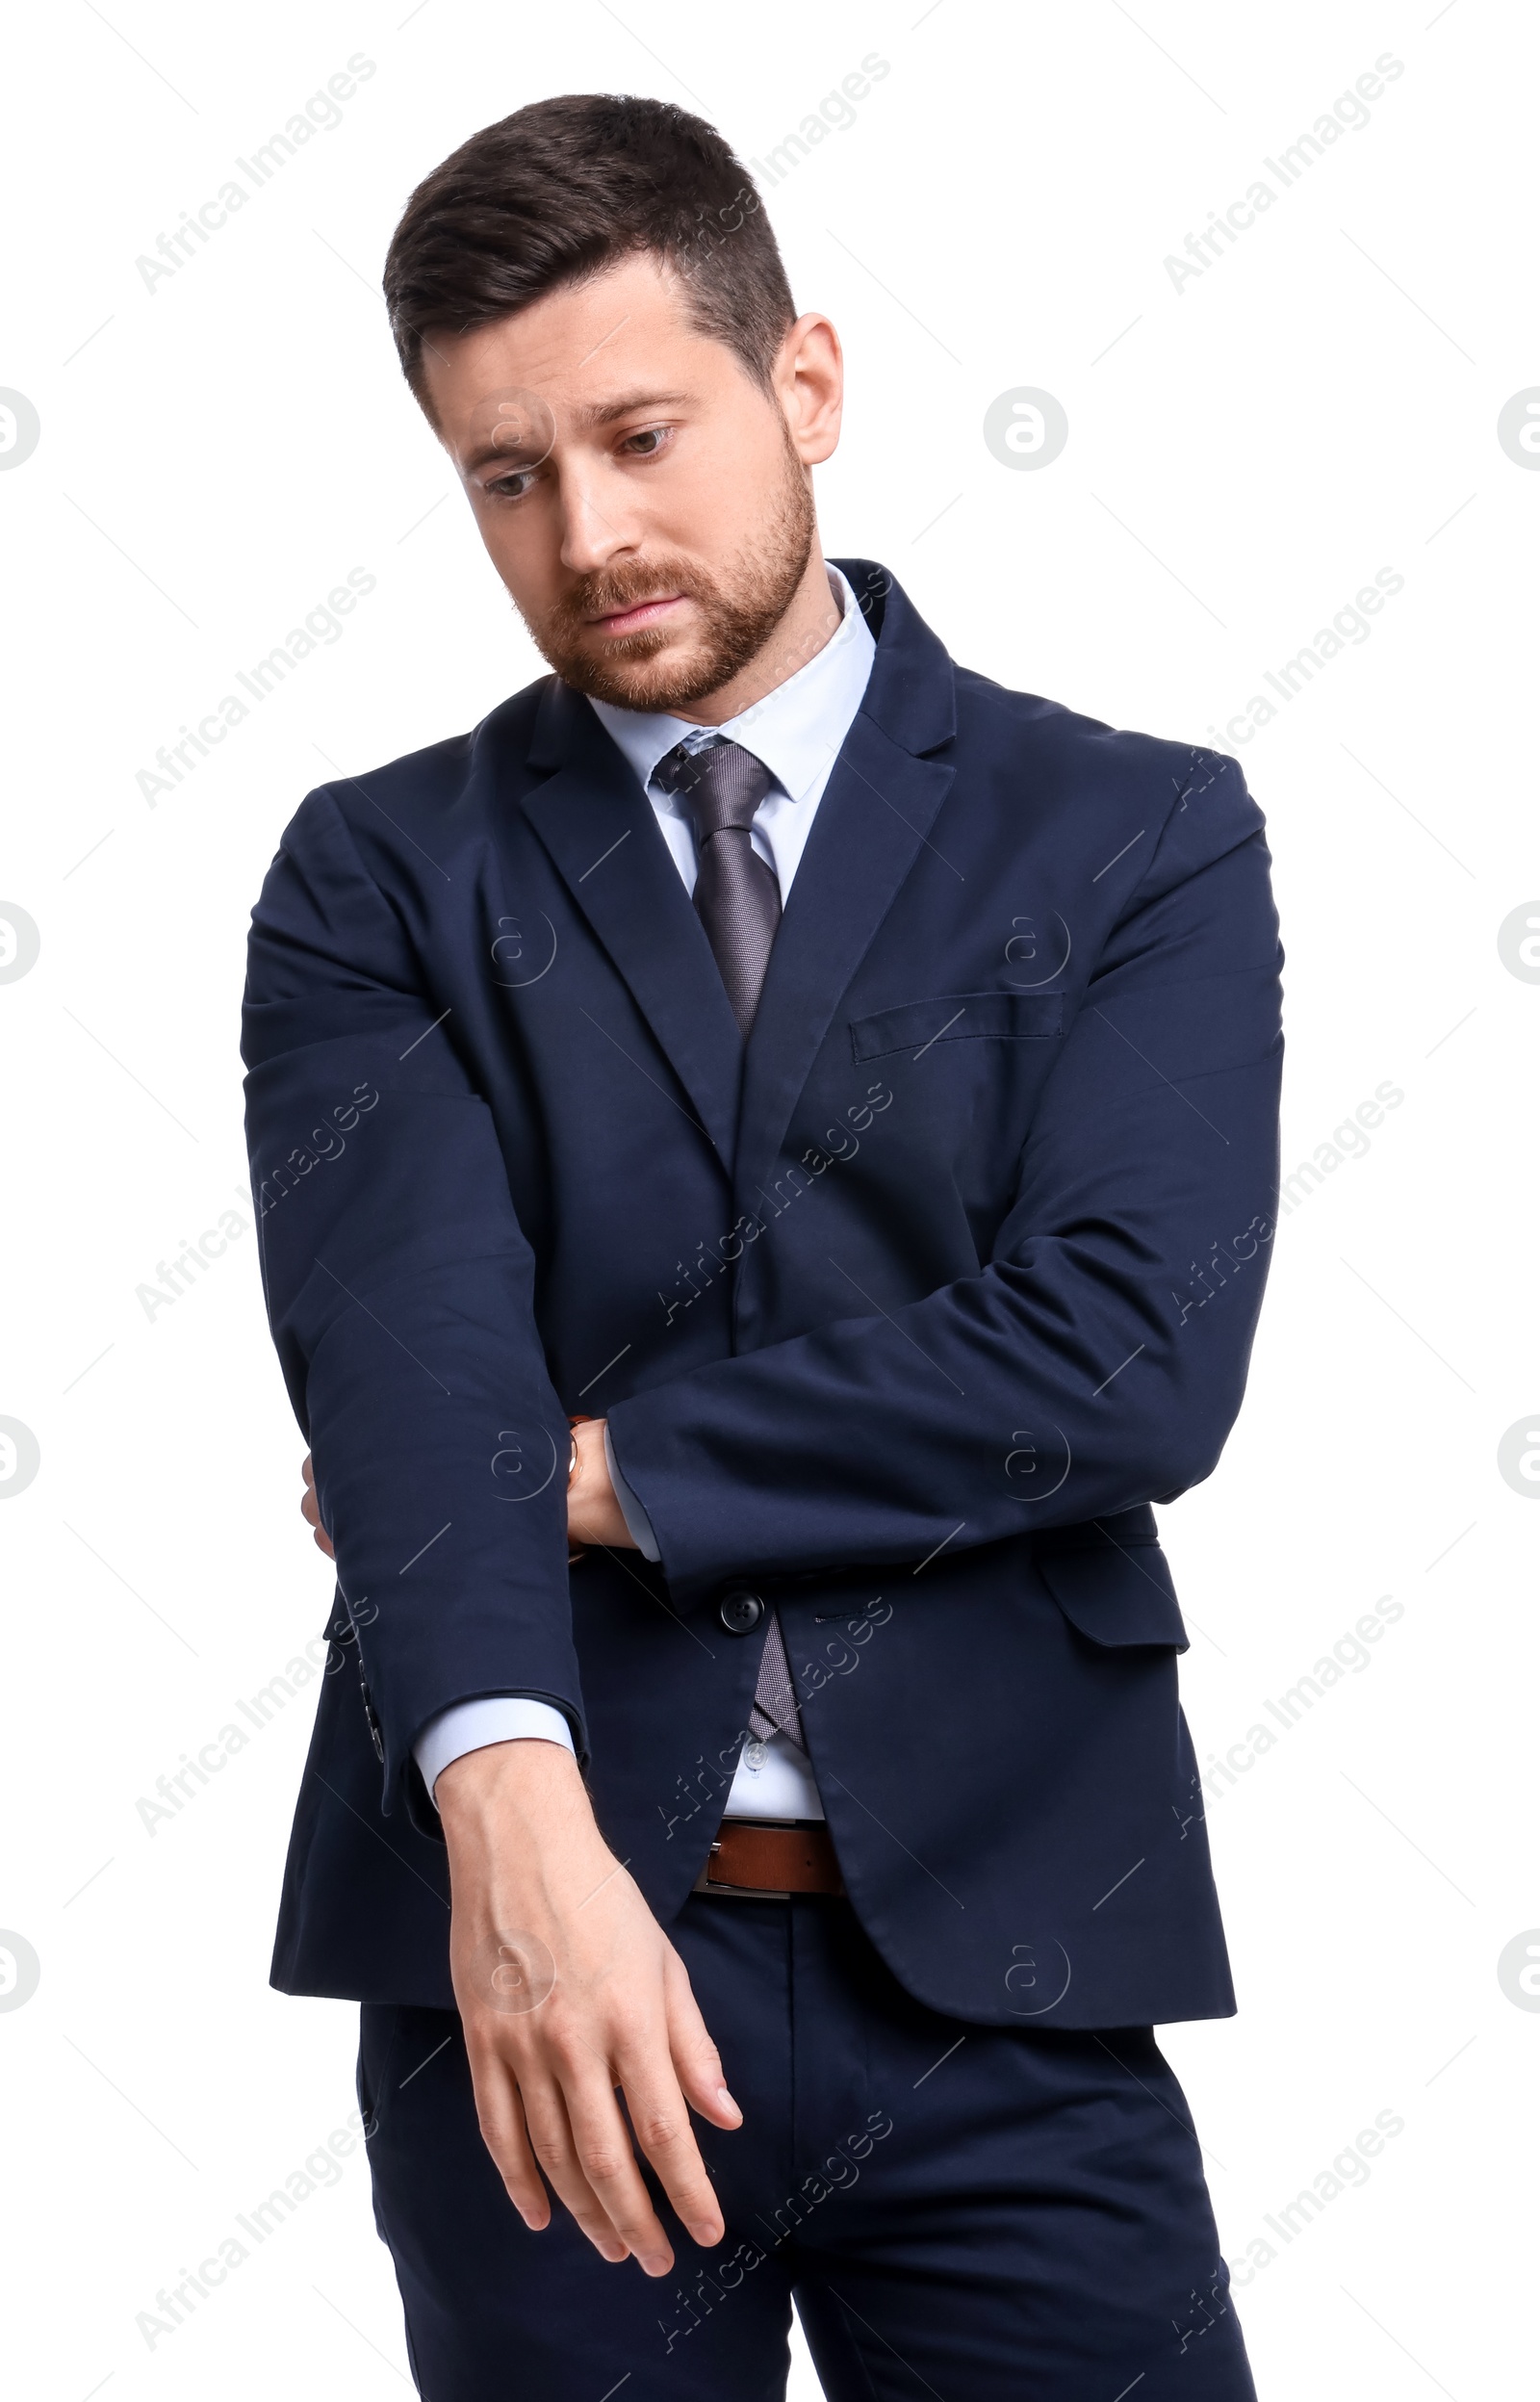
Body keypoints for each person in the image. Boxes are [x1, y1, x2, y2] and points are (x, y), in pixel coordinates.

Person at [244, 92, 1282, 2401]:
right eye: (506, 478)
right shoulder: (376, 877)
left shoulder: (1130, 837)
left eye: (638, 434)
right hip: (537, 1967)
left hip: (1009, 1961)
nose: (587, 532)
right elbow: (404, 1369)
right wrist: (508, 1838)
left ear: (802, 383)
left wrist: (587, 1469)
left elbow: (1126, 1356)